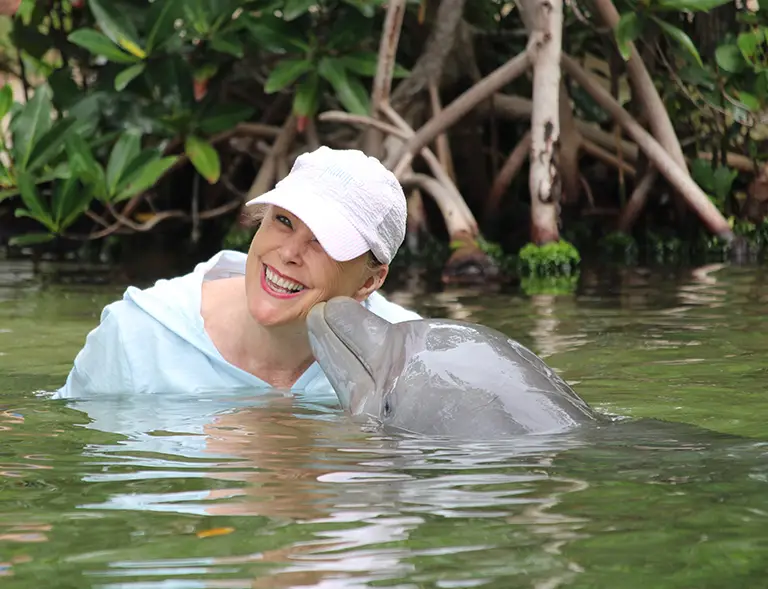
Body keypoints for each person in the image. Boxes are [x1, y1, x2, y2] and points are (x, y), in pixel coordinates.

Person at [54, 146, 421, 401]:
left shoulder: (408, 362)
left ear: (370, 282)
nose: (289, 253)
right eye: (283, 220)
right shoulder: (138, 334)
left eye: (324, 241)